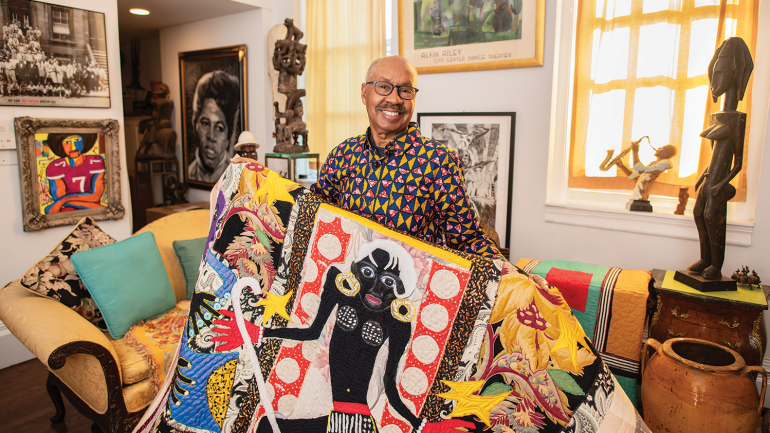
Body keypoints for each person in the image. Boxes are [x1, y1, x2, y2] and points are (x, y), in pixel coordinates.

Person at [187, 70, 240, 183]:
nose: (211, 136)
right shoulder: (189, 172)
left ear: (228, 137)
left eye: (219, 128)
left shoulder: (239, 181)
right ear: (195, 123)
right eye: (205, 123)